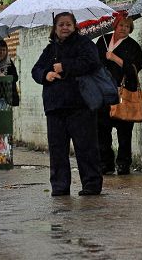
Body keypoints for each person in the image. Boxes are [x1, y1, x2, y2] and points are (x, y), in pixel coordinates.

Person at [31, 12, 103, 196]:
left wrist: (65, 66)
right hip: (55, 107)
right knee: (57, 150)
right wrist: (46, 75)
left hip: (80, 105)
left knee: (86, 147)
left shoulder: (84, 43)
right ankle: (60, 186)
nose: (64, 28)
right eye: (61, 25)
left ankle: (91, 184)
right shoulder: (50, 49)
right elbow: (36, 70)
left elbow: (92, 62)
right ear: (55, 28)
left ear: (74, 26)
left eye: (68, 24)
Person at [96, 15, 142, 175]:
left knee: (124, 131)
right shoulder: (102, 41)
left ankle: (124, 163)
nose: (124, 28)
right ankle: (105, 162)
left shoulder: (133, 46)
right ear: (115, 25)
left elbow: (135, 69)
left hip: (124, 92)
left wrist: (115, 58)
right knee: (102, 129)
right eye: (121, 25)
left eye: (127, 26)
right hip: (103, 93)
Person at [0, 40, 20, 106]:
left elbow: (15, 77)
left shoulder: (8, 62)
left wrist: (5, 77)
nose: (2, 52)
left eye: (4, 50)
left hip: (6, 96)